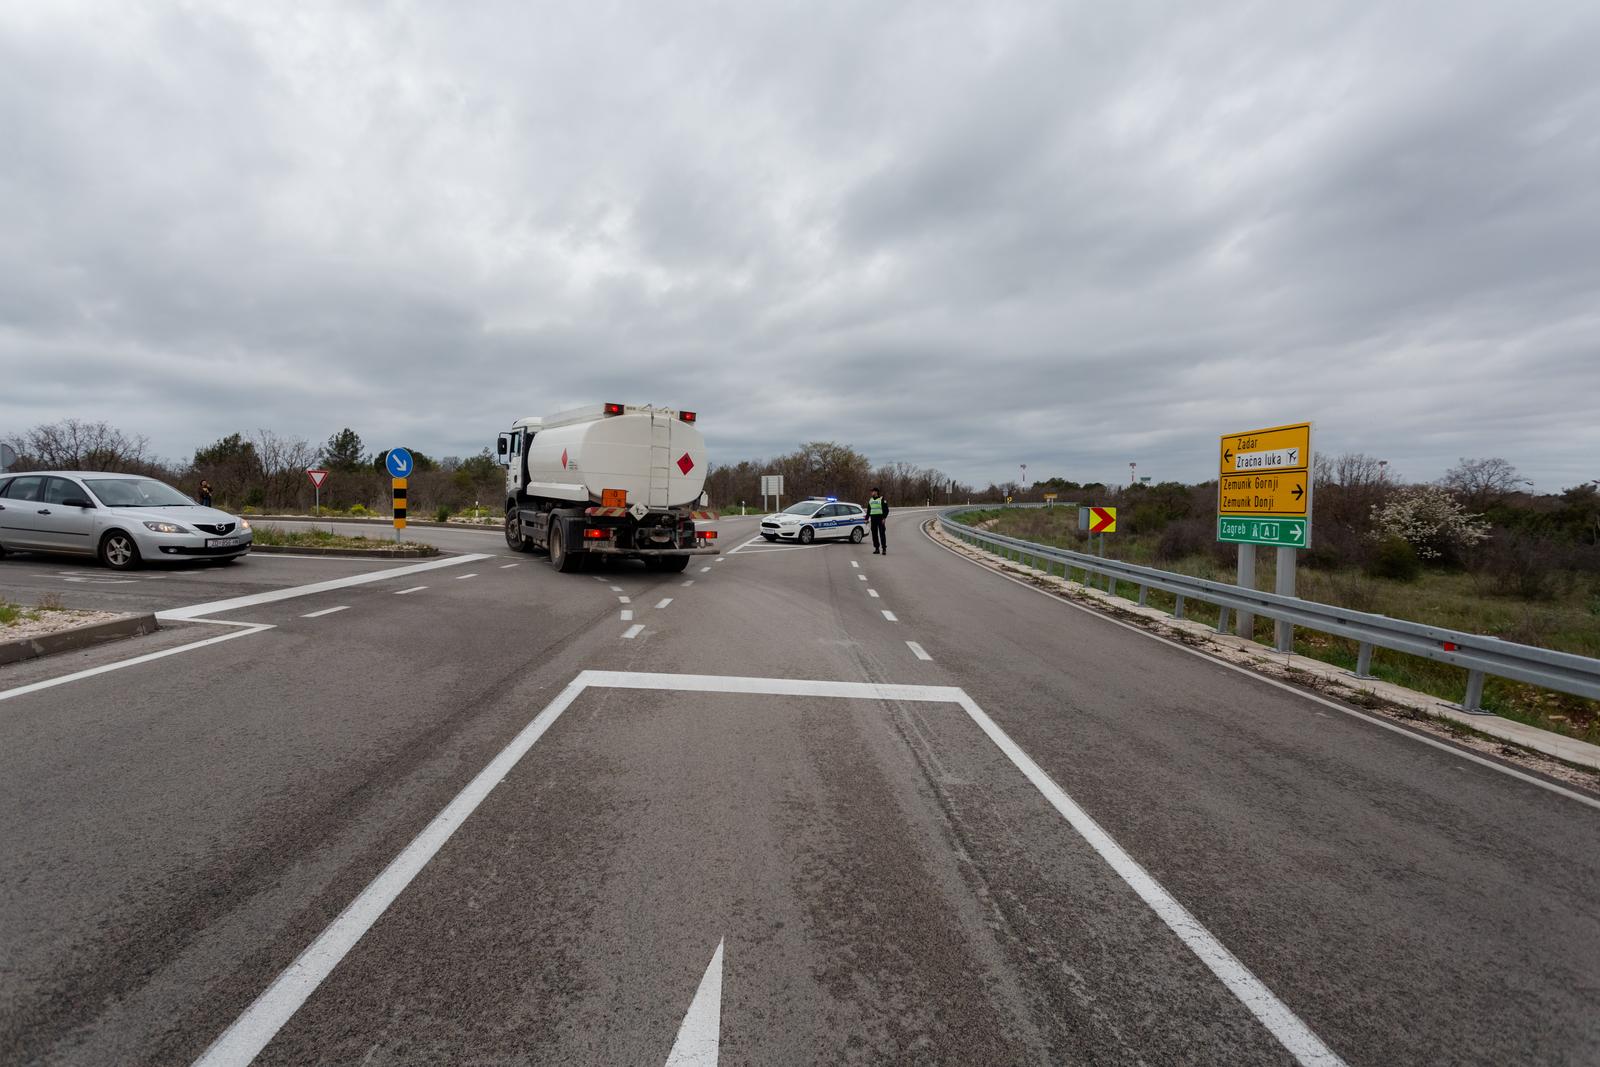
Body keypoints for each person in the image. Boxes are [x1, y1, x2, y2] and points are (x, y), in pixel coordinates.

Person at [866, 487, 889, 554]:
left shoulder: (882, 499)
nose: (871, 493)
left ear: (876, 492)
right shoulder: (870, 500)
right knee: (874, 534)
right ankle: (877, 548)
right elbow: (868, 511)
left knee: (882, 534)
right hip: (873, 519)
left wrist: (884, 518)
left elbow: (886, 510)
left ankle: (884, 549)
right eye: (871, 491)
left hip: (880, 518)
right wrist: (866, 519)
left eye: (872, 491)